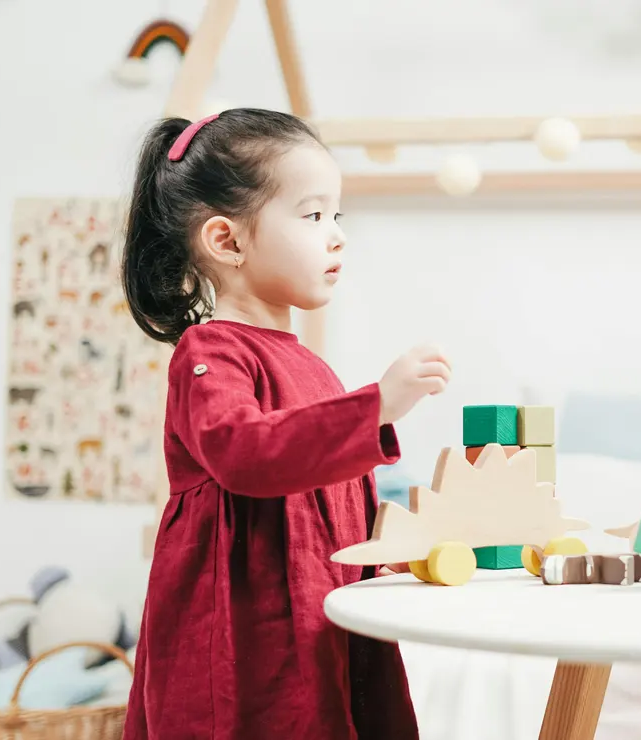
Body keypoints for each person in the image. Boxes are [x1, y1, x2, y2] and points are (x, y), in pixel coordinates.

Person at [119, 108, 450, 740]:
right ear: (228, 241)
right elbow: (249, 456)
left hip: (321, 618)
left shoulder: (313, 368)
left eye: (337, 216)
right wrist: (376, 404)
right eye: (313, 215)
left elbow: (341, 504)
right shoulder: (209, 354)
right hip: (249, 632)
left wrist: (398, 556)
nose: (337, 236)